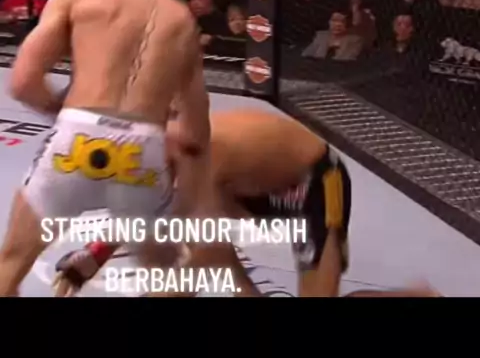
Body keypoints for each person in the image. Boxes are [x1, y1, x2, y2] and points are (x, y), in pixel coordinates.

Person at [0, 0, 211, 297]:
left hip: (74, 140)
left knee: (11, 263)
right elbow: (195, 132)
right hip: (143, 148)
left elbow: (23, 82)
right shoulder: (182, 20)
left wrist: (63, 113)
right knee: (171, 275)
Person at [53, 109, 440, 298]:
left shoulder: (198, 154)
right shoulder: (148, 156)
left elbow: (203, 259)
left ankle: (413, 296)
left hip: (315, 184)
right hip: (245, 191)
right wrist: (96, 253)